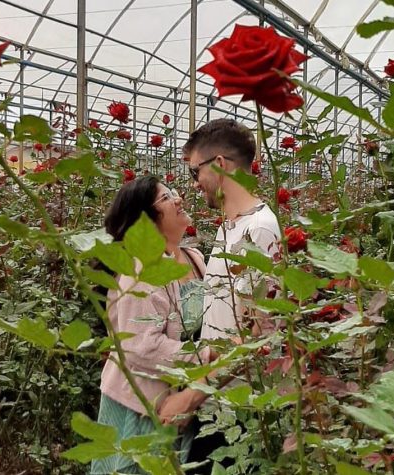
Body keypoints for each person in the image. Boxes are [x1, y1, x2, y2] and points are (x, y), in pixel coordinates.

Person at [158, 118, 281, 473]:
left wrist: (192, 395)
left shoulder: (258, 230)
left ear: (221, 165)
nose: (194, 184)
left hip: (236, 411)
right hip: (217, 402)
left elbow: (259, 333)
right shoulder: (233, 226)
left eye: (196, 172)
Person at [91, 176, 216, 475]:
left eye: (173, 193)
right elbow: (140, 345)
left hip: (176, 400)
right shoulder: (141, 267)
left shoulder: (194, 258)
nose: (178, 199)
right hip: (141, 403)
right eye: (165, 197)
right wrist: (204, 356)